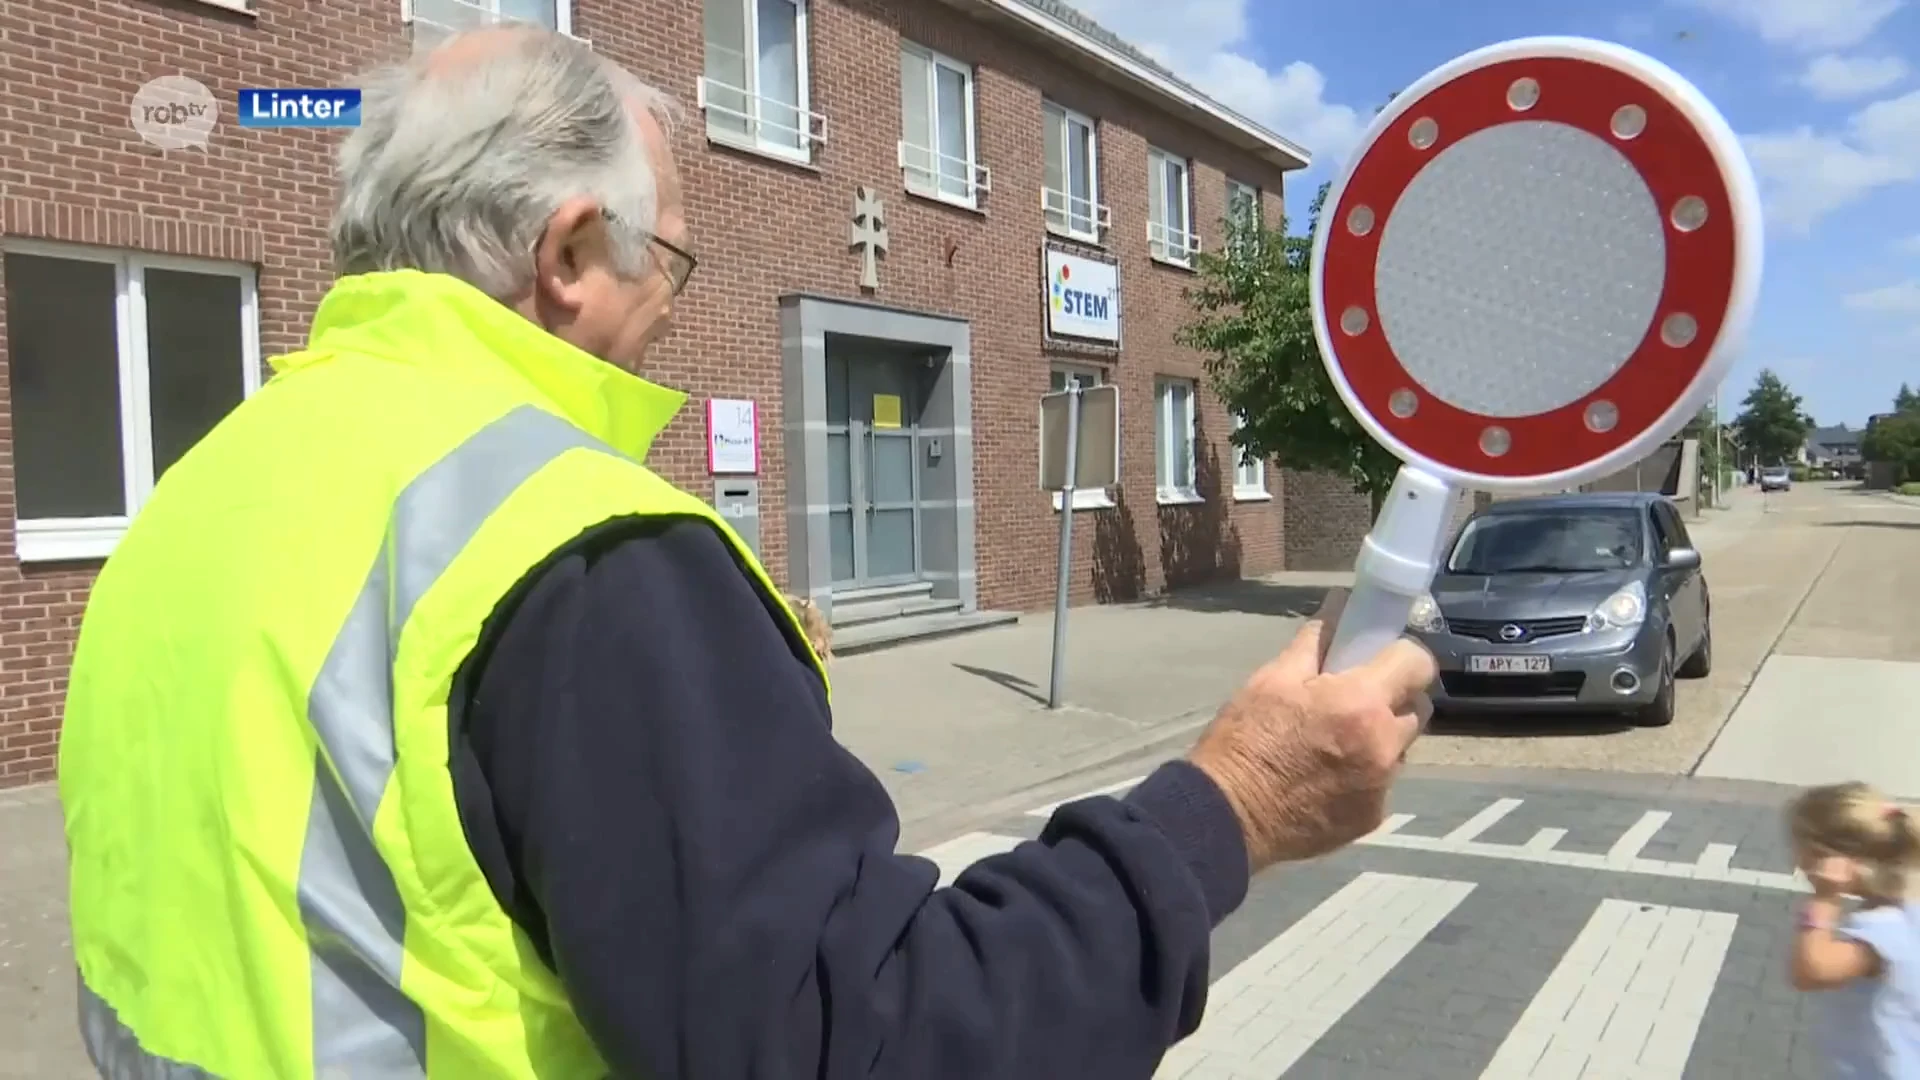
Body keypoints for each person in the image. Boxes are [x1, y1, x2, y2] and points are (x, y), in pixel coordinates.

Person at [59, 25, 1436, 1080]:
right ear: (571, 252)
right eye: (676, 258)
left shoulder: (210, 482)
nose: (673, 301)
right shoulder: (581, 556)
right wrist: (1235, 804)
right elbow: (869, 1037)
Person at [1785, 782, 1920, 1078]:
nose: (1797, 862)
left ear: (1827, 858)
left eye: (1802, 852)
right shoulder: (1910, 902)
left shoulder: (1883, 930)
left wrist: (1824, 897)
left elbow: (1811, 972)